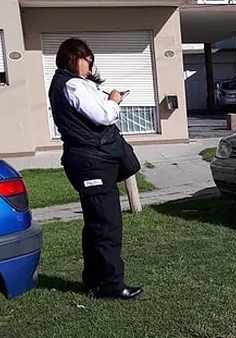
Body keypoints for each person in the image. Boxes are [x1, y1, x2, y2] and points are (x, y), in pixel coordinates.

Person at [48, 38, 142, 300]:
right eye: (86, 62)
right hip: (92, 163)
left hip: (89, 161)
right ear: (72, 58)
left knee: (95, 225)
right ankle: (111, 284)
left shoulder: (69, 84)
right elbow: (103, 116)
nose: (89, 69)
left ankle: (94, 282)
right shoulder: (71, 85)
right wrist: (113, 101)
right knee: (107, 225)